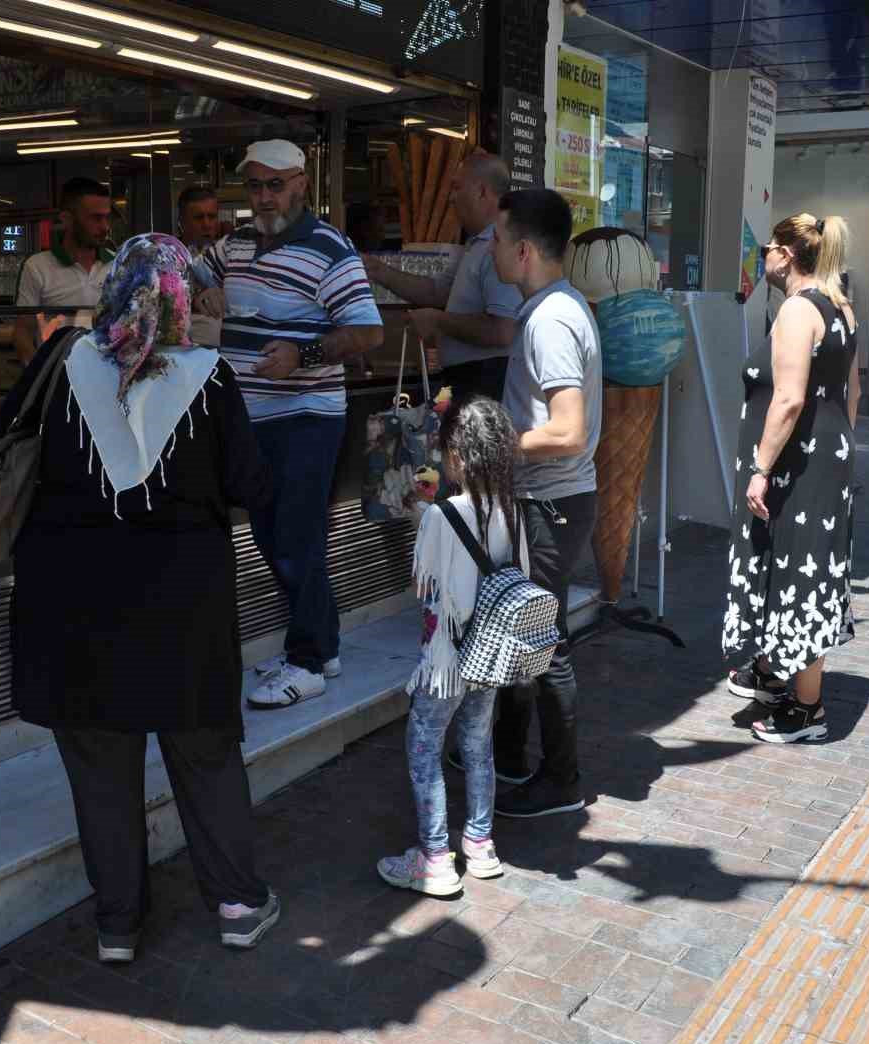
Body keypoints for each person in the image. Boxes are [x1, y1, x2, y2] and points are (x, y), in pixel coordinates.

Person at [1, 234, 281, 960]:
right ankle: (238, 904)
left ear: (113, 291)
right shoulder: (210, 377)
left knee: (100, 768)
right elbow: (251, 485)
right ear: (184, 298)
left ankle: (117, 925)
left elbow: (8, 446)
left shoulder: (59, 361)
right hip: (182, 605)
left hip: (72, 605)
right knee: (206, 755)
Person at [192, 139, 384, 709]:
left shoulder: (330, 250)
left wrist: (303, 356)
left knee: (296, 538)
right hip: (251, 417)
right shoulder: (237, 244)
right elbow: (186, 267)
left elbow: (368, 332)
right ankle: (321, 648)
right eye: (255, 185)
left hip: (306, 416)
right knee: (274, 536)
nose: (265, 196)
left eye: (276, 184)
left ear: (301, 183)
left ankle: (308, 663)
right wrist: (205, 289)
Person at [479, 187, 601, 819]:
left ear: (523, 250)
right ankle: (506, 757)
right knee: (521, 634)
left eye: (498, 240)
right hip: (550, 502)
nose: (492, 250)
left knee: (541, 643)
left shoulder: (551, 320)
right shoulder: (557, 308)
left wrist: (490, 447)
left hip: (551, 505)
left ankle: (561, 780)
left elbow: (567, 429)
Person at [377, 398, 525, 895]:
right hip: (489, 654)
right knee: (478, 743)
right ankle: (480, 845)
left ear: (457, 455)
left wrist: (421, 518)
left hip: (445, 659)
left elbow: (425, 590)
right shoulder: (514, 510)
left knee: (424, 745)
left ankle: (435, 858)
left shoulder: (442, 515)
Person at [723, 213, 859, 744]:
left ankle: (807, 710)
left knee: (797, 567)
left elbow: (788, 398)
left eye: (768, 250)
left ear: (786, 254)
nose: (764, 259)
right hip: (823, 458)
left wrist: (760, 467)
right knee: (798, 563)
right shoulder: (841, 308)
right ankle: (776, 674)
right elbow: (852, 395)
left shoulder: (799, 310)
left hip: (791, 466)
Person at [365, 153, 522, 401]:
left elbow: (502, 331)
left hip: (487, 381)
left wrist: (438, 320)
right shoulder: (476, 244)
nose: (451, 198)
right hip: (467, 380)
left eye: (457, 187)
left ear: (482, 192)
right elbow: (438, 292)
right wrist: (379, 271)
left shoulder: (501, 245)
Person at [14, 177, 115, 363]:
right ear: (67, 219)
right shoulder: (38, 266)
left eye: (106, 217)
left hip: (107, 376)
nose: (105, 227)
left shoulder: (119, 265)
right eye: (95, 218)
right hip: (58, 374)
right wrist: (36, 377)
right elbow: (23, 331)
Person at [178, 186, 220, 254]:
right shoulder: (165, 257)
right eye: (198, 218)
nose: (207, 225)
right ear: (182, 221)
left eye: (212, 217)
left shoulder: (228, 255)